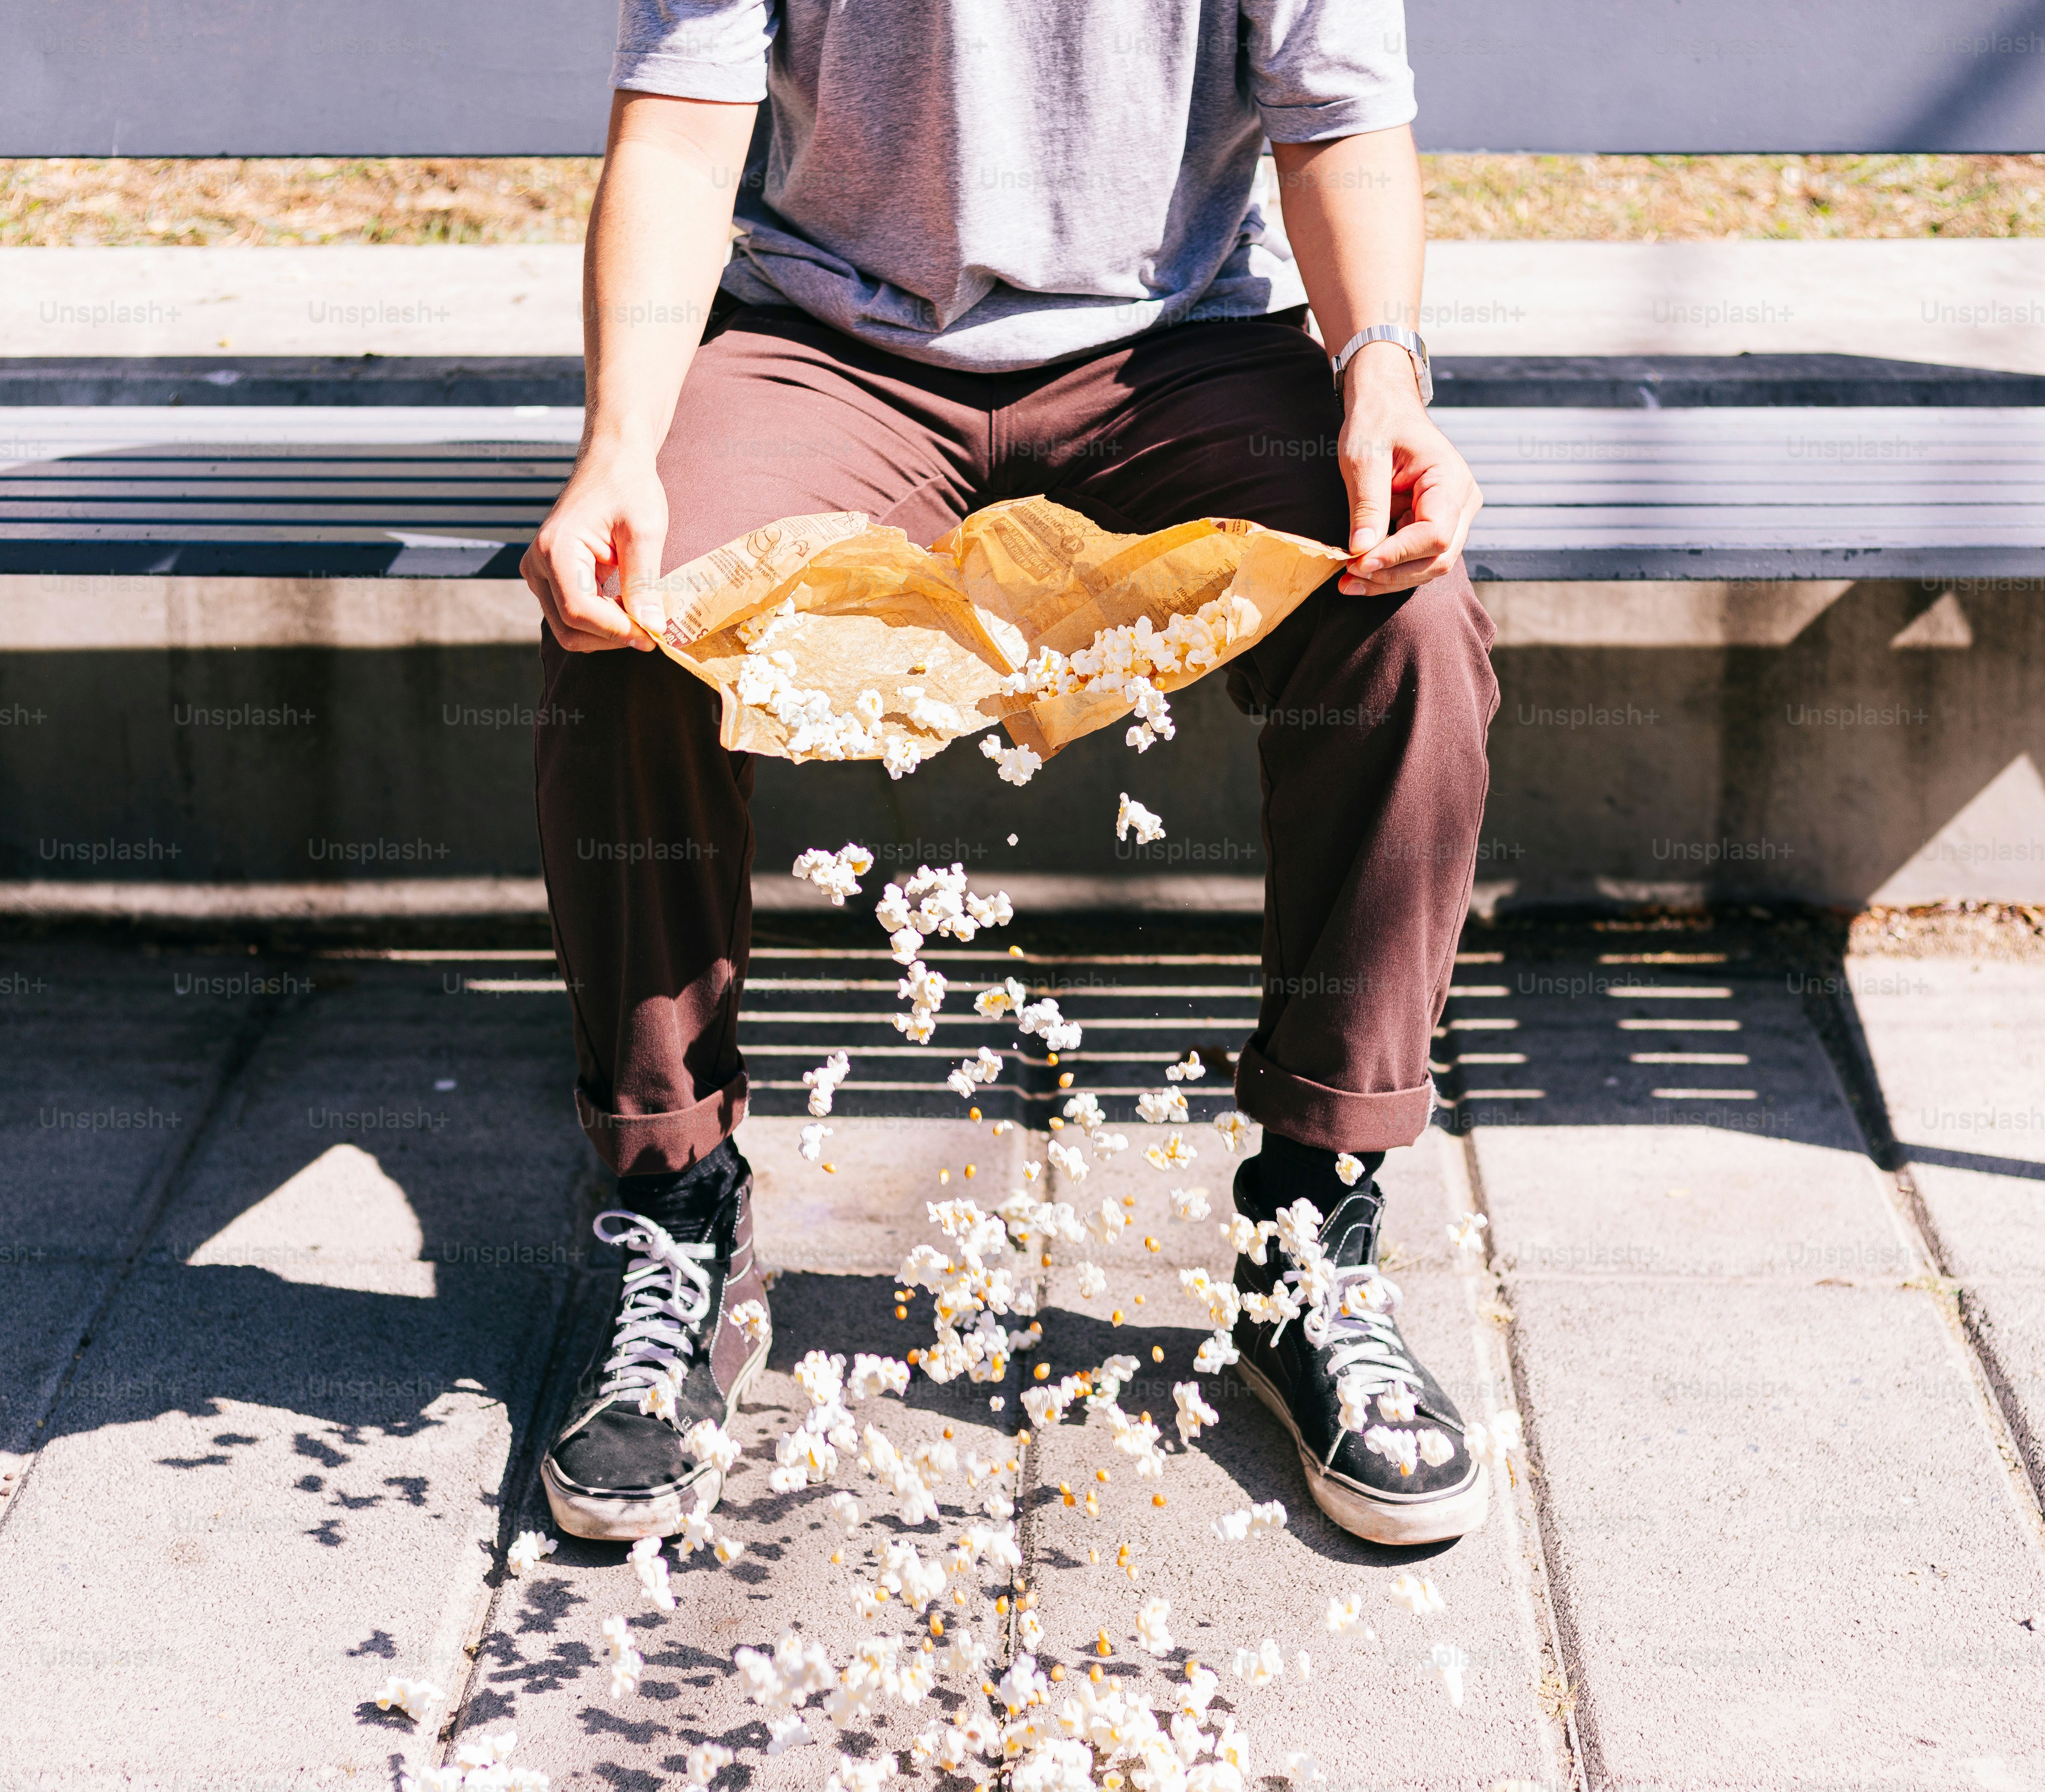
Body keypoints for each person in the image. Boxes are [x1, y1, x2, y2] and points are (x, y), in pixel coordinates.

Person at [518, 0, 1498, 1548]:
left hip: (1180, 359)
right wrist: (620, 445)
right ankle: (680, 1207)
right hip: (825, 357)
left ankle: (1312, 1235)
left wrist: (1383, 378)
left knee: (1411, 622)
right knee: (628, 626)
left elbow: (1341, 114)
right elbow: (685, 122)